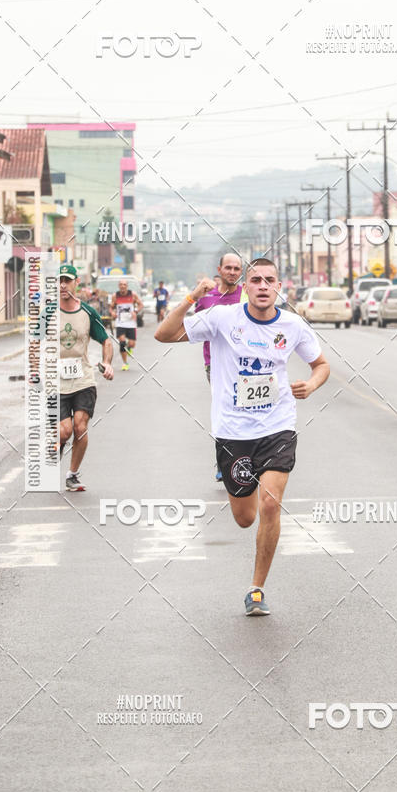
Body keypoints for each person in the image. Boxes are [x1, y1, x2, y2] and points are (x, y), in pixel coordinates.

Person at [155, 257, 330, 616]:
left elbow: (321, 364)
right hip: (233, 431)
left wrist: (311, 385)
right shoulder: (222, 318)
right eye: (256, 280)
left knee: (271, 503)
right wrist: (191, 298)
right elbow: (164, 334)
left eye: (270, 280)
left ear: (279, 286)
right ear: (245, 287)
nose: (263, 286)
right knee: (245, 518)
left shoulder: (292, 324)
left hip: (277, 426)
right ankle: (244, 513)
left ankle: (256, 588)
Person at [57, 263, 114, 491]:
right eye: (59, 281)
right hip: (56, 381)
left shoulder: (88, 312)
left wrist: (107, 363)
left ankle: (72, 475)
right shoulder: (48, 313)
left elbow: (106, 341)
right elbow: (34, 343)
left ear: (76, 283)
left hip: (83, 379)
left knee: (80, 427)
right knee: (65, 431)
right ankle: (58, 444)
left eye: (67, 280)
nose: (63, 285)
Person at [195, 253, 244, 481]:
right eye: (228, 268)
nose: (232, 272)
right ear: (220, 270)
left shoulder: (246, 295)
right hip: (214, 365)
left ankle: (243, 457)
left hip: (245, 365)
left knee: (244, 410)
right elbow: (195, 328)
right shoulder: (207, 299)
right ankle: (223, 461)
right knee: (224, 410)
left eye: (237, 268)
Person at [110, 279, 143, 370]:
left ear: (127, 286)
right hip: (120, 323)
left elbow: (141, 305)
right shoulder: (115, 296)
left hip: (131, 323)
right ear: (119, 286)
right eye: (121, 284)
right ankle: (125, 363)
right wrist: (112, 313)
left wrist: (135, 311)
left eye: (124, 284)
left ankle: (129, 348)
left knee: (132, 344)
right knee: (122, 343)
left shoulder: (133, 295)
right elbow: (111, 307)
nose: (123, 286)